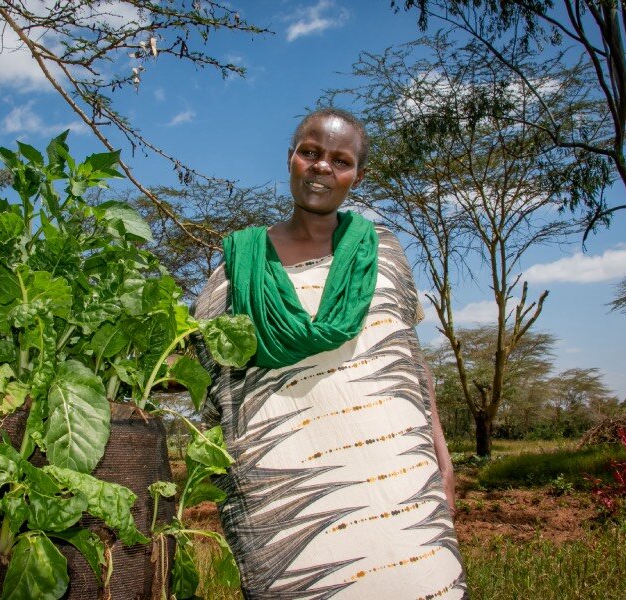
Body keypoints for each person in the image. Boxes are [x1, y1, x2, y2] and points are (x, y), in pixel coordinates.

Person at [192, 108, 466, 599]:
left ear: (357, 176)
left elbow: (407, 361)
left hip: (400, 478)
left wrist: (442, 461)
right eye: (310, 152)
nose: (322, 167)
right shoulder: (236, 271)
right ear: (292, 159)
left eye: (340, 160)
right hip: (291, 498)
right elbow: (211, 377)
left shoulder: (383, 252)